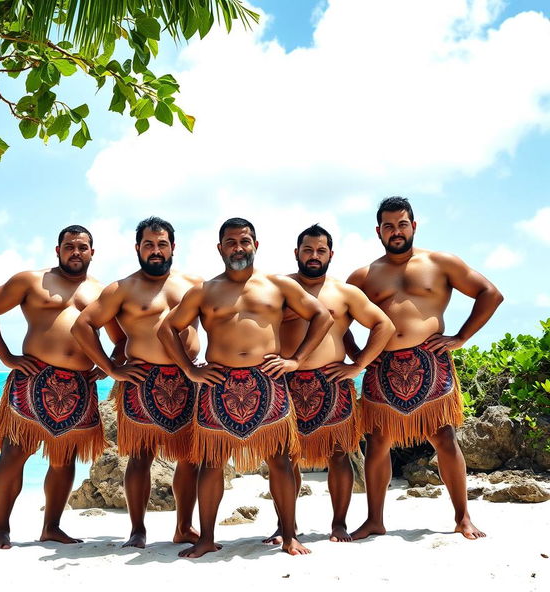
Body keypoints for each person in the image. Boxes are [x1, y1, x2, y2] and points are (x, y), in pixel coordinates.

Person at [158, 218, 333, 558]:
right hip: (218, 382)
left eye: (245, 241)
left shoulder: (277, 286)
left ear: (256, 244)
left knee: (280, 460)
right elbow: (168, 328)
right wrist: (189, 371)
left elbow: (321, 316)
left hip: (267, 380)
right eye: (231, 242)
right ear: (220, 248)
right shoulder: (204, 291)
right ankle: (207, 538)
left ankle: (288, 536)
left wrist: (296, 360)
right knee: (211, 462)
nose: (239, 248)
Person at [346, 197, 503, 540]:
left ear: (413, 226)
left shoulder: (440, 262)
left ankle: (463, 518)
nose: (396, 231)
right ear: (378, 231)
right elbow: (336, 315)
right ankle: (375, 519)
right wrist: (356, 355)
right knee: (377, 442)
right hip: (382, 365)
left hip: (430, 359)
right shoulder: (364, 275)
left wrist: (461, 336)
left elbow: (490, 293)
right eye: (388, 226)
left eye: (402, 224)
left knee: (444, 438)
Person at [0, 225, 124, 549]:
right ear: (58, 250)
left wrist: (107, 364)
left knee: (64, 459)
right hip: (33, 375)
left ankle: (51, 527)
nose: (75, 252)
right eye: (69, 246)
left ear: (92, 253)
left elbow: (121, 338)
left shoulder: (101, 292)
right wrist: (5, 356)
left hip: (80, 385)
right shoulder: (31, 281)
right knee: (15, 453)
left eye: (82, 247)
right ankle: (1, 529)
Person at [71, 217, 202, 548]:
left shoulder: (195, 284)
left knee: (190, 456)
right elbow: (83, 326)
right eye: (148, 245)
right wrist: (112, 370)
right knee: (140, 457)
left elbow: (220, 322)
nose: (155, 251)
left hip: (189, 379)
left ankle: (183, 527)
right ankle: (137, 531)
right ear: (137, 249)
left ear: (173, 246)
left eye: (161, 244)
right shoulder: (122, 289)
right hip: (141, 379)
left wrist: (214, 362)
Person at [264, 224, 393, 544]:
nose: (313, 256)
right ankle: (285, 526)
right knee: (283, 455)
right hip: (286, 380)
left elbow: (383, 325)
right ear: (296, 253)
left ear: (331, 255)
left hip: (333, 382)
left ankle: (339, 524)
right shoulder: (278, 289)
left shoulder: (345, 292)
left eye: (321, 251)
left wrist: (359, 363)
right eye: (307, 250)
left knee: (340, 454)